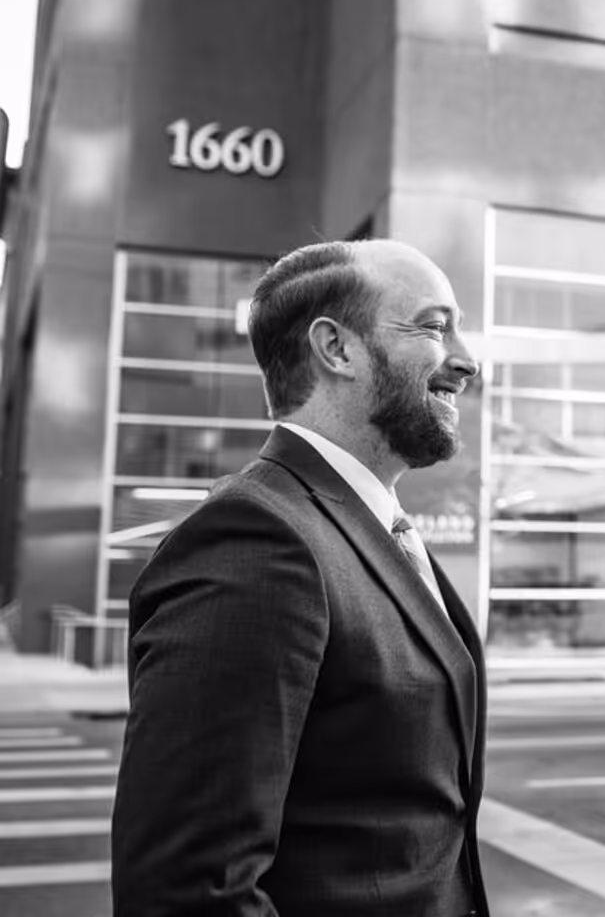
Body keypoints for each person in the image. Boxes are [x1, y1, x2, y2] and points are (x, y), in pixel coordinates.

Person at [112, 239, 489, 917]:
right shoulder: (257, 541)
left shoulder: (370, 526)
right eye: (434, 327)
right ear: (336, 349)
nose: (466, 361)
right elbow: (188, 890)